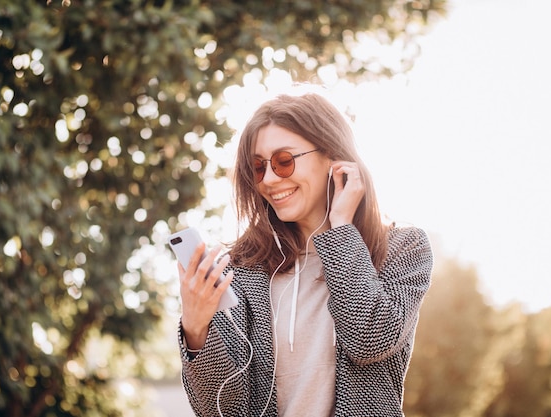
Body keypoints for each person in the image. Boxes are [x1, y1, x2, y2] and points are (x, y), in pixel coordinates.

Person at [175, 91, 433, 417]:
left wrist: (340, 228)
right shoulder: (239, 268)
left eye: (284, 161)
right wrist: (196, 330)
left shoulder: (403, 249)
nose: (269, 180)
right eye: (258, 168)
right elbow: (221, 411)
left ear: (332, 157)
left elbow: (370, 341)